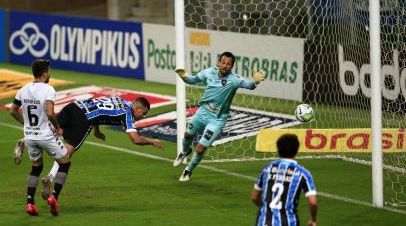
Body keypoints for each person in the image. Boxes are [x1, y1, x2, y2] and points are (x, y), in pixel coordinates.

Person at [35, 95, 164, 200]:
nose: (144, 116)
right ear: (137, 108)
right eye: (144, 113)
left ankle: (26, 140)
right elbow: (135, 139)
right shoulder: (127, 114)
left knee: (48, 130)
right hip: (84, 119)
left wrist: (96, 130)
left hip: (74, 106)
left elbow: (99, 108)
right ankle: (50, 178)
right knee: (66, 154)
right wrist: (152, 141)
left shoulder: (120, 100)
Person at [173, 51, 265, 181]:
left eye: (228, 64)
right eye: (223, 62)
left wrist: (255, 82)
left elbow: (248, 85)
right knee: (187, 135)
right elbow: (192, 80)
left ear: (232, 66)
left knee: (200, 148)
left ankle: (188, 170)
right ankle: (184, 152)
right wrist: (183, 76)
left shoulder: (234, 80)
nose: (225, 65)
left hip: (217, 119)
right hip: (203, 111)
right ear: (219, 62)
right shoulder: (209, 72)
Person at [9, 59, 71, 216]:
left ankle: (30, 203)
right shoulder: (48, 89)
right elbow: (50, 112)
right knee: (64, 163)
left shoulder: (23, 89)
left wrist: (26, 125)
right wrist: (58, 128)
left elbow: (13, 110)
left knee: (36, 168)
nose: (50, 74)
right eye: (49, 71)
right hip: (46, 135)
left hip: (29, 136)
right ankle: (54, 197)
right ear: (44, 73)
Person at [251, 134, 318, 226]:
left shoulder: (267, 168)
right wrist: (313, 219)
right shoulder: (303, 173)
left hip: (263, 222)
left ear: (278, 149)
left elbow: (254, 197)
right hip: (289, 222)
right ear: (297, 149)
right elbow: (313, 202)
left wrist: (268, 209)